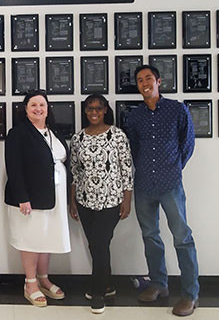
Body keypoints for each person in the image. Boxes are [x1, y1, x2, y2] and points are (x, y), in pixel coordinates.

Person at [124, 65, 199, 317]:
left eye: (148, 78)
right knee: (150, 236)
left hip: (170, 184)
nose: (144, 83)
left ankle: (190, 294)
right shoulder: (134, 117)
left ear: (158, 81)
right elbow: (134, 149)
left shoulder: (177, 109)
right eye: (139, 80)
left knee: (182, 237)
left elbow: (187, 144)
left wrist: (173, 168)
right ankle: (159, 284)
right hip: (144, 184)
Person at [4, 89, 71, 308]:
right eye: (33, 105)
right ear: (25, 109)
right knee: (30, 239)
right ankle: (30, 283)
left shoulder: (53, 132)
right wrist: (22, 197)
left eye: (42, 104)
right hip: (29, 198)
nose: (38, 109)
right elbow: (14, 168)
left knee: (47, 237)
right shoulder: (18, 133)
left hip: (54, 196)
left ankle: (44, 278)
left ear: (47, 108)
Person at [69, 93, 133, 314]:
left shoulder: (117, 135)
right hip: (85, 201)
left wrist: (127, 199)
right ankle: (107, 284)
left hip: (112, 200)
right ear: (85, 111)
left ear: (106, 110)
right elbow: (75, 171)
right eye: (90, 108)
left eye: (98, 108)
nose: (94, 112)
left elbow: (126, 168)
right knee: (96, 244)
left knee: (99, 244)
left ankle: (98, 293)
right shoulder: (78, 138)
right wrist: (73, 200)